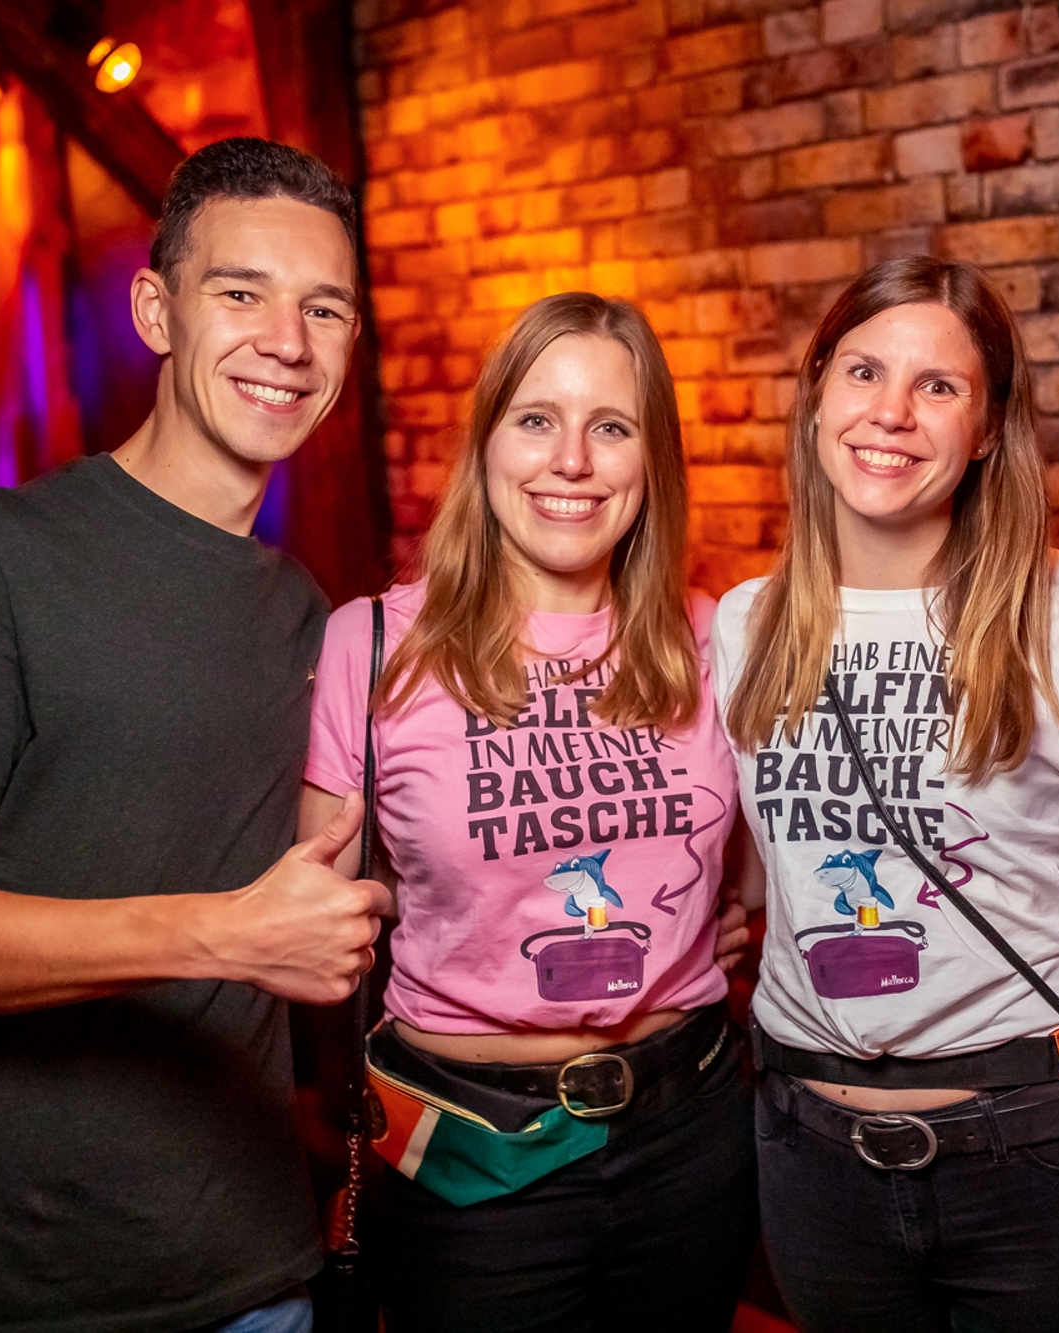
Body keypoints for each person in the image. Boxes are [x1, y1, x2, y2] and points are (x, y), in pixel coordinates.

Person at [0, 138, 391, 1333]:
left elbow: (326, 896)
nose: (287, 341)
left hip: (249, 1268)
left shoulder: (306, 610)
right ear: (155, 312)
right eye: (240, 292)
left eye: (324, 308)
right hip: (12, 1279)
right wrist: (220, 932)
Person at [710, 255, 1059, 1332]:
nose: (891, 412)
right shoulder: (745, 620)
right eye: (864, 371)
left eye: (938, 386)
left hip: (1033, 1140)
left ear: (987, 427)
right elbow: (755, 864)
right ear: (817, 392)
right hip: (810, 1147)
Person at [300, 290, 756, 1332]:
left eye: (612, 427)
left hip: (688, 1131)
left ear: (652, 460)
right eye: (537, 419)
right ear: (487, 442)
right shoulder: (374, 644)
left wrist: (719, 910)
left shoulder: (712, 634)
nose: (572, 461)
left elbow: (751, 854)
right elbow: (318, 907)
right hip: (473, 1154)